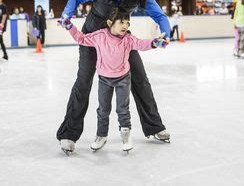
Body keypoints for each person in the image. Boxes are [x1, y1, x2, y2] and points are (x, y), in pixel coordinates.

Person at [56, 0, 171, 154]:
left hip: (121, 40)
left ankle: (154, 127)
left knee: (141, 80)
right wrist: (67, 14)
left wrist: (165, 34)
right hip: (94, 40)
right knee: (83, 82)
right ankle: (69, 134)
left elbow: (160, 17)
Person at [60, 9, 168, 152]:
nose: (125, 26)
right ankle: (101, 135)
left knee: (122, 109)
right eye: (122, 22)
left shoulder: (128, 39)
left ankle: (126, 136)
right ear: (110, 23)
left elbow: (142, 44)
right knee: (103, 110)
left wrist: (155, 43)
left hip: (123, 79)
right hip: (104, 79)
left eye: (128, 23)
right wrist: (69, 26)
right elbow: (81, 38)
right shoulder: (99, 36)